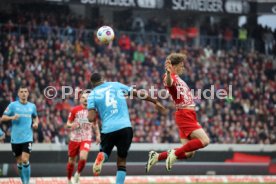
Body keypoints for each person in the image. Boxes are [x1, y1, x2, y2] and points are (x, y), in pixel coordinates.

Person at [87, 73, 166, 184]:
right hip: (125, 128)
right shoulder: (116, 85)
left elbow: (91, 118)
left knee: (105, 151)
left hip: (108, 129)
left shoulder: (92, 95)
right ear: (103, 79)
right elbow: (138, 93)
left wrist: (92, 110)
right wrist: (155, 101)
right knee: (122, 161)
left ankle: (102, 156)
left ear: (93, 84)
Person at [146, 53, 210, 172]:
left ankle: (157, 156)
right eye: (181, 65)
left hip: (188, 115)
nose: (183, 68)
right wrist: (169, 73)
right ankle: (174, 154)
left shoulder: (179, 78)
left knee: (189, 154)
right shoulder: (169, 77)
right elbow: (169, 83)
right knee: (205, 141)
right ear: (174, 66)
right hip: (185, 115)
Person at [1, 86, 39, 184]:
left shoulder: (32, 106)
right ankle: (23, 182)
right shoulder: (13, 105)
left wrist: (36, 123)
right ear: (18, 94)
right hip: (15, 138)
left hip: (27, 138)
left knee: (25, 159)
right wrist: (12, 117)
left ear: (28, 93)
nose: (23, 93)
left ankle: (27, 182)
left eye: (25, 91)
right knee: (19, 162)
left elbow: (35, 117)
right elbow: (3, 118)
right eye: (21, 92)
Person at [66, 92, 100, 184]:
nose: (85, 100)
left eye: (87, 98)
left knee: (83, 157)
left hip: (86, 138)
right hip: (74, 139)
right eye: (83, 98)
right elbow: (68, 124)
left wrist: (98, 135)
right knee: (71, 161)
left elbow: (95, 125)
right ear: (80, 100)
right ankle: (69, 179)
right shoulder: (74, 110)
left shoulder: (93, 111)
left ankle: (77, 173)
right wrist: (73, 124)